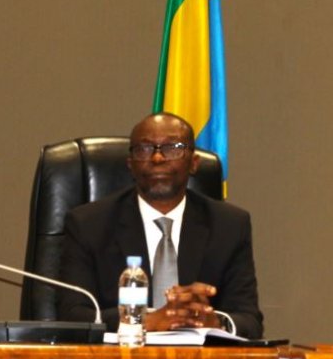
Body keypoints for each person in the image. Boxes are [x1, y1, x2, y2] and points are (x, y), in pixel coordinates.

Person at [58, 112, 263, 338]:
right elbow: (72, 316)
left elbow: (250, 320)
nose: (157, 158)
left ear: (194, 163)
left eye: (172, 148)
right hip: (122, 356)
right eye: (144, 149)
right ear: (130, 164)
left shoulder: (229, 226)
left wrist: (216, 321)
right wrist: (143, 320)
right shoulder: (88, 225)